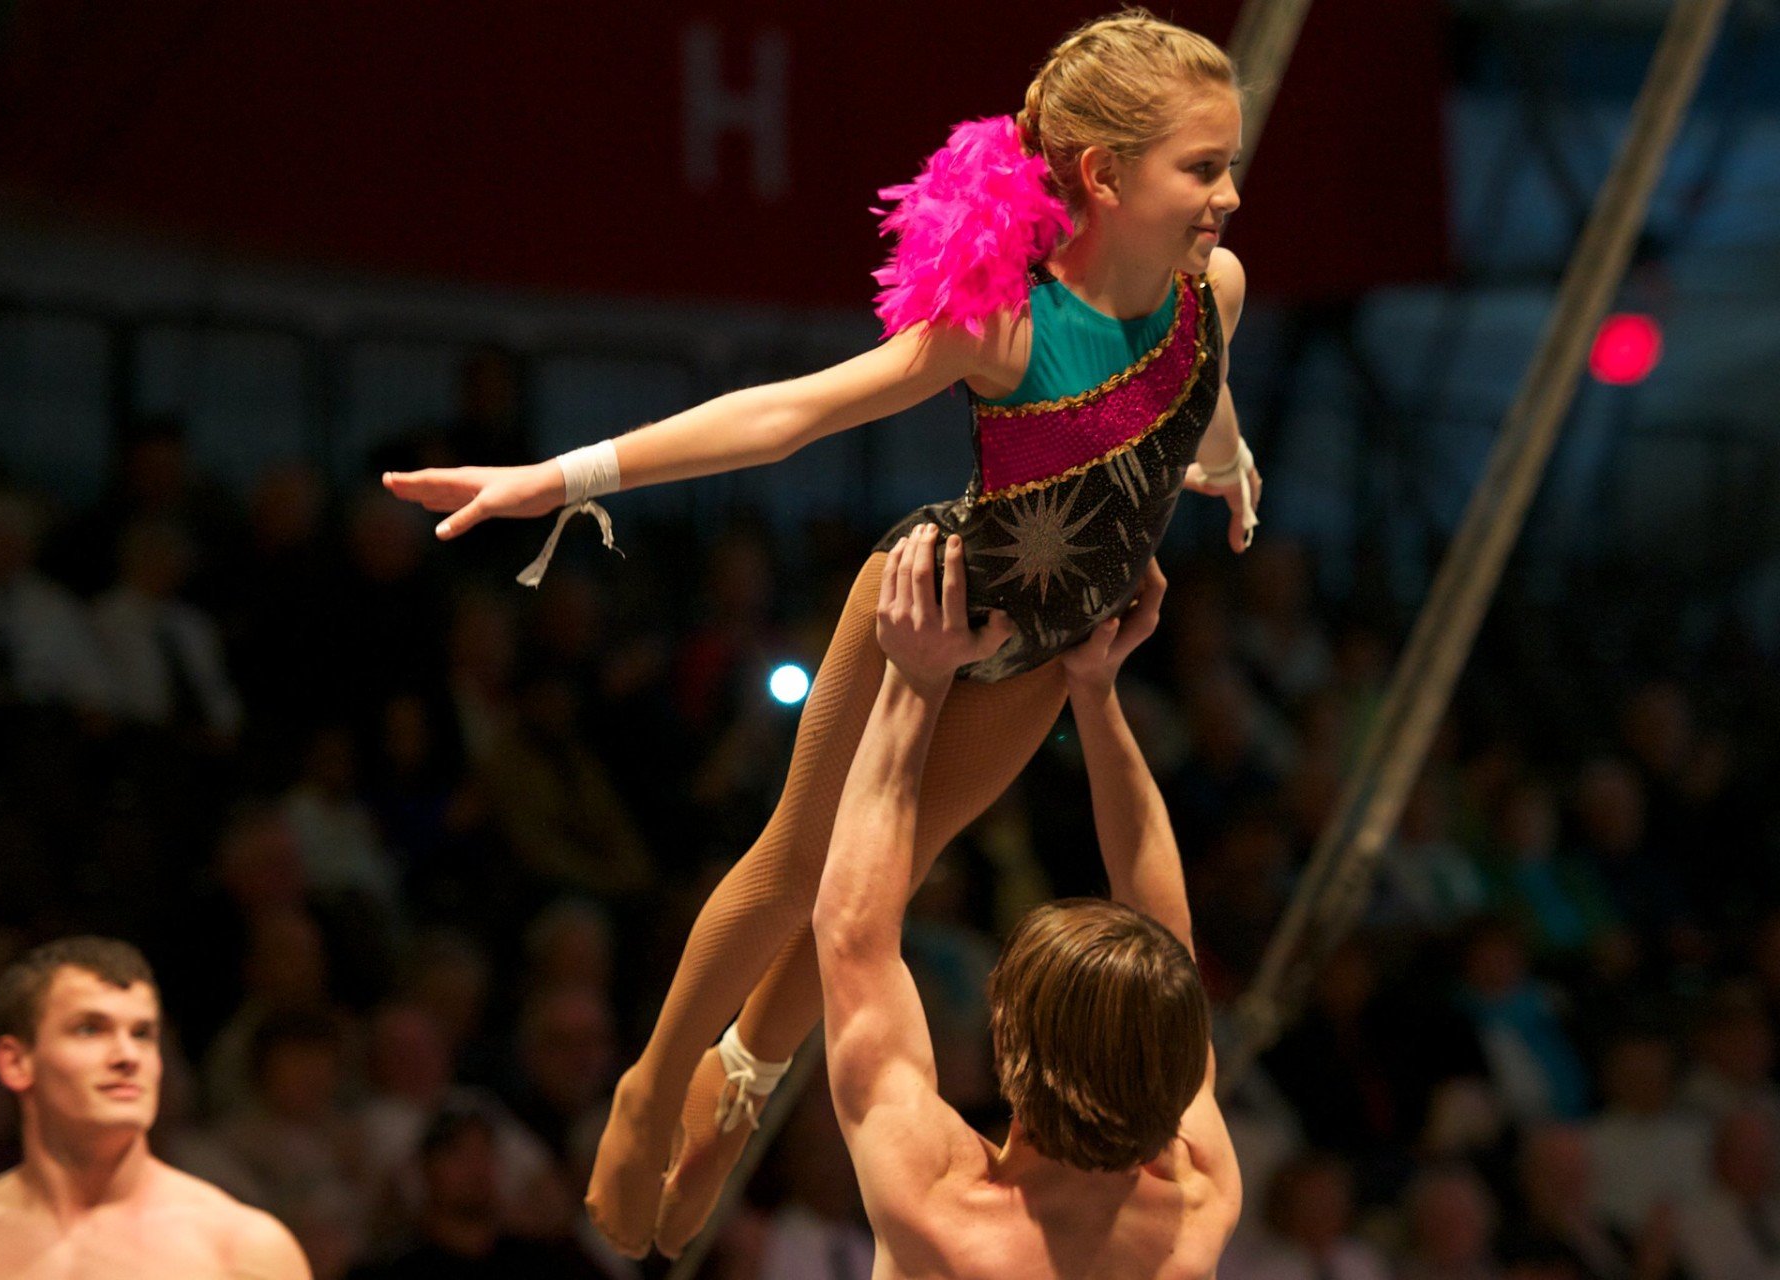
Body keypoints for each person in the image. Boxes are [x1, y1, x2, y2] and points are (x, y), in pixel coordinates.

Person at [384, 9, 1260, 1256]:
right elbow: (787, 414)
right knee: (803, 870)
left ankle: (742, 1079)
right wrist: (561, 477)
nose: (1228, 195)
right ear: (1106, 175)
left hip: (1046, 650)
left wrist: (1229, 466)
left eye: (1229, 164)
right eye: (1203, 167)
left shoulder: (1209, 287)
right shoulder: (1003, 324)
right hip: (934, 605)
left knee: (882, 885)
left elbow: (1204, 389)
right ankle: (654, 1078)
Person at [811, 524, 1239, 1276]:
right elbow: (1167, 932)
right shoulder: (1197, 1201)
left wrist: (913, 682)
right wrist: (1096, 694)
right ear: (1175, 1065)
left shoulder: (941, 1207)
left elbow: (854, 937)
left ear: (1009, 1044)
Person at [0, 935, 312, 1280]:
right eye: (89, 1029)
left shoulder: (244, 1250)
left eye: (142, 1034)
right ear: (16, 1062)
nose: (127, 1055)